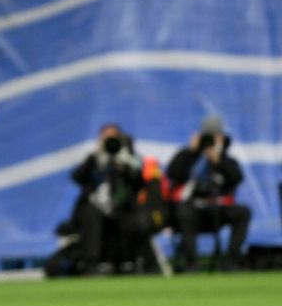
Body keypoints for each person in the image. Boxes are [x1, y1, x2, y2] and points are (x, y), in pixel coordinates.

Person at [57, 124, 149, 274]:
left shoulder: (128, 157)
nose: (110, 141)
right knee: (91, 214)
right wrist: (96, 157)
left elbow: (139, 183)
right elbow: (76, 177)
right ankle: (91, 264)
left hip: (121, 207)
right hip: (93, 208)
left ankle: (128, 262)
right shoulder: (94, 158)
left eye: (113, 137)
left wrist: (125, 165)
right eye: (106, 137)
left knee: (130, 218)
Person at [167, 115, 251, 272]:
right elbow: (173, 174)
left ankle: (231, 261)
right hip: (192, 208)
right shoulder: (188, 157)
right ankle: (191, 263)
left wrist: (218, 160)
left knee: (243, 212)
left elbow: (236, 178)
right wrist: (191, 152)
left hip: (218, 208)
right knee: (183, 211)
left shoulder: (225, 159)